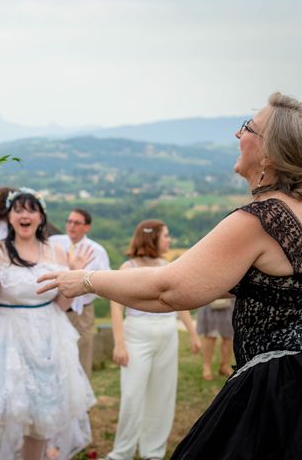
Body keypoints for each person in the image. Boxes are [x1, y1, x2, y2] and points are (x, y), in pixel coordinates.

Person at [37, 92, 302, 459]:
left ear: (269, 153)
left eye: (247, 128)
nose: (237, 136)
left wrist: (86, 280)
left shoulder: (262, 219)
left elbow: (169, 291)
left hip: (280, 388)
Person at [0, 188, 96, 460]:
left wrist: (75, 275)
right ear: (9, 217)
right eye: (18, 210)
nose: (25, 215)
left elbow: (60, 305)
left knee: (41, 417)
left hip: (46, 339)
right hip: (6, 339)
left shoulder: (57, 252)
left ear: (41, 217)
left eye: (31, 210)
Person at [106, 220, 200, 460]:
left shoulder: (167, 266)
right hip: (136, 334)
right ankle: (122, 452)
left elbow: (180, 305)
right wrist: (119, 343)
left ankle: (153, 452)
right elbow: (116, 307)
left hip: (168, 333)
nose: (169, 240)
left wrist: (192, 334)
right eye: (166, 235)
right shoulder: (127, 268)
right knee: (132, 395)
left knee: (163, 394)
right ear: (152, 238)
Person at [49, 207, 110, 379]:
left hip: (83, 312)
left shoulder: (97, 251)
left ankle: (83, 404)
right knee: (56, 359)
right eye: (69, 221)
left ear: (87, 227)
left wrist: (83, 280)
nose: (71, 226)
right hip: (56, 310)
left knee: (82, 359)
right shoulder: (54, 243)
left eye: (77, 222)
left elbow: (104, 284)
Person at [197, 296, 235, 380]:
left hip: (229, 298)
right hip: (210, 297)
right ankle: (206, 366)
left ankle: (225, 366)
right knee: (210, 335)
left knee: (229, 335)